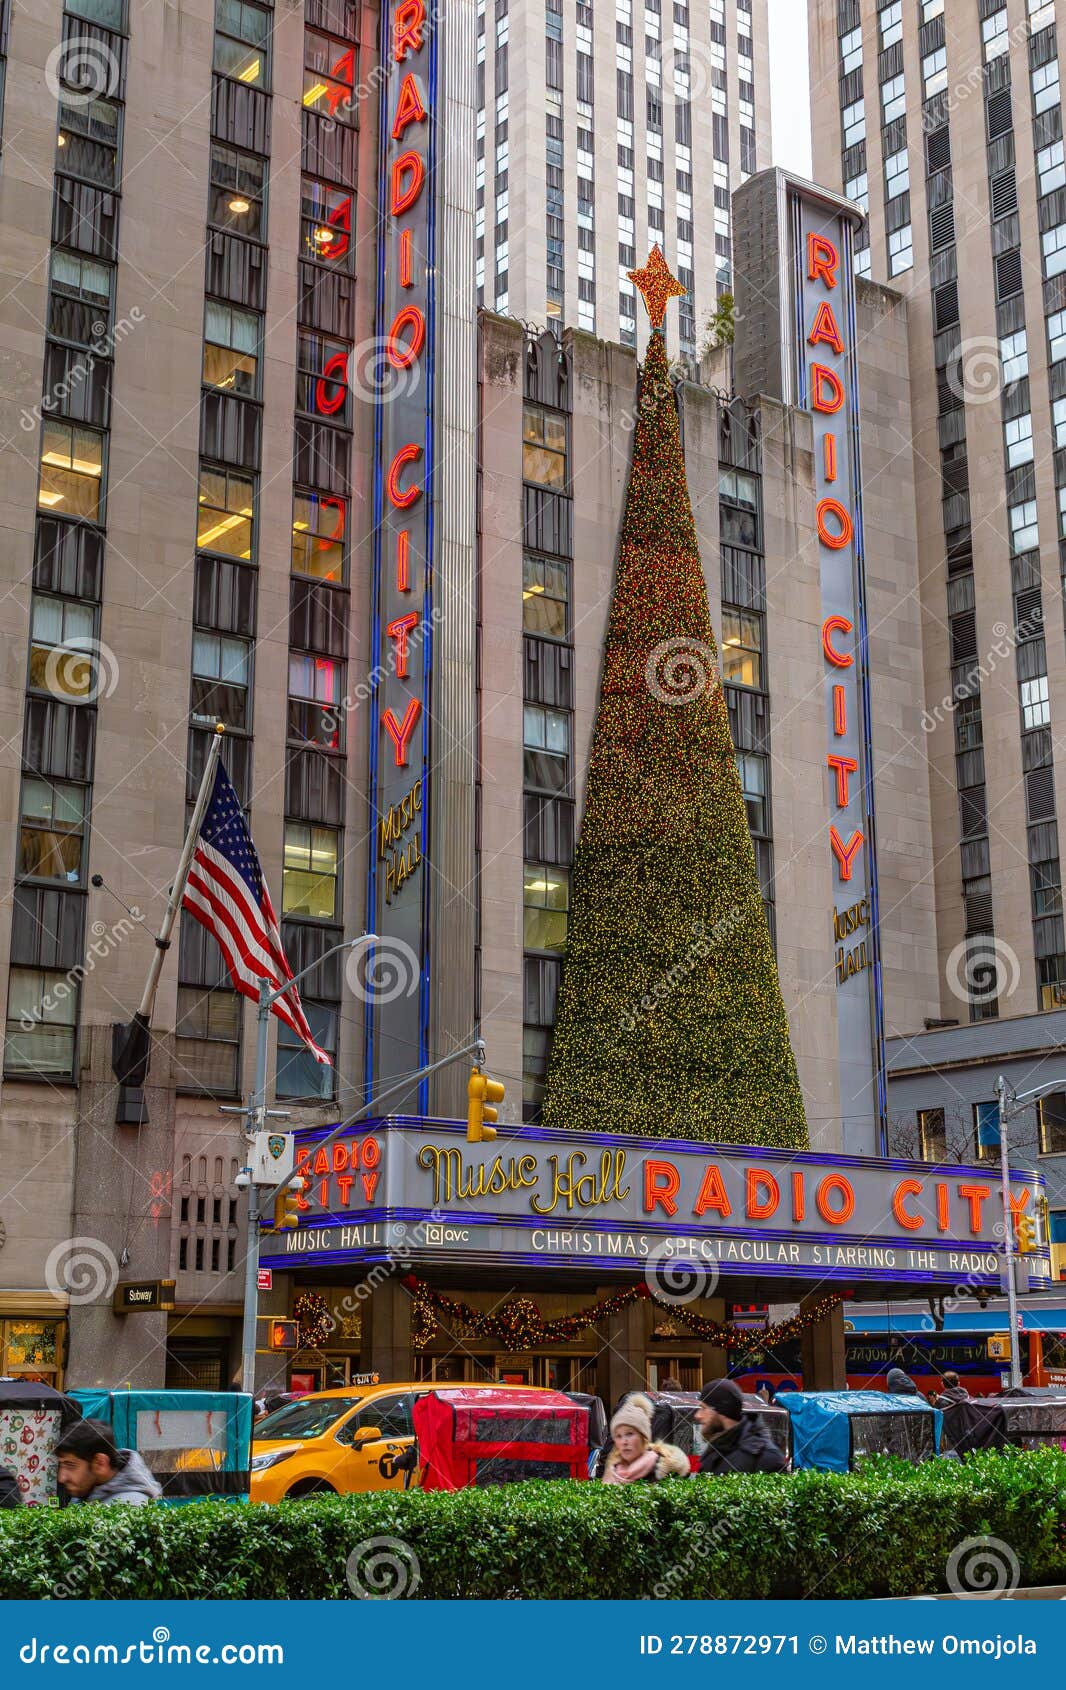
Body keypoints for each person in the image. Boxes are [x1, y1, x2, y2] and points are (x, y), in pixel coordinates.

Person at [55, 1419, 162, 1506]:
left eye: (70, 1465)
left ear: (100, 1463)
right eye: (61, 1465)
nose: (61, 1477)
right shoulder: (86, 1491)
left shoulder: (130, 1508)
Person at [694, 1379, 787, 1475]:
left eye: (704, 1408)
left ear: (722, 1411)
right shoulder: (716, 1448)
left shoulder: (765, 1455)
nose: (698, 1415)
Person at [599, 1393, 689, 1485]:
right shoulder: (613, 1468)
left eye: (630, 1434)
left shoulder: (660, 1468)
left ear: (643, 1437)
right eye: (618, 1436)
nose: (624, 1441)